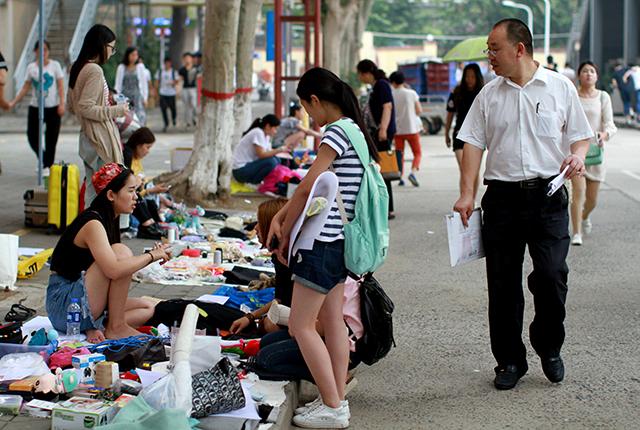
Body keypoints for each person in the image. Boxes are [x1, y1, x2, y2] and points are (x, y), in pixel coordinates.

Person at [453, 19, 593, 391]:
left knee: (551, 275)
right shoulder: (488, 94)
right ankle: (509, 361)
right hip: (501, 199)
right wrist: (467, 193)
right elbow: (471, 144)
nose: (489, 57)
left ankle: (549, 346)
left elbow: (581, 138)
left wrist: (577, 156)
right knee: (502, 285)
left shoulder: (559, 88)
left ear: (519, 49)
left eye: (494, 49)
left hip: (548, 196)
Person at [267, 67, 379, 429]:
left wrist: (282, 225)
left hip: (322, 240)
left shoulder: (336, 132)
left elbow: (307, 187)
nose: (308, 116)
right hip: (338, 242)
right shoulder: (355, 131)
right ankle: (335, 398)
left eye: (306, 108)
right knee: (331, 323)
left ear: (315, 100)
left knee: (301, 326)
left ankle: (333, 406)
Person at [46, 163, 169, 343]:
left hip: (81, 298)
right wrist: (151, 256)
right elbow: (114, 270)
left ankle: (99, 326)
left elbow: (116, 272)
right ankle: (115, 327)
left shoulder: (109, 218)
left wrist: (153, 256)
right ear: (111, 195)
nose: (137, 198)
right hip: (65, 305)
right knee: (121, 252)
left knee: (147, 308)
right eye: (131, 191)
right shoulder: (93, 223)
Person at [67, 24, 129, 204]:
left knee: (94, 190)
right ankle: (98, 229)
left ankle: (92, 229)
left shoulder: (77, 67)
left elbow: (73, 106)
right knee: (104, 193)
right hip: (98, 138)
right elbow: (85, 107)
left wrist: (104, 103)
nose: (111, 52)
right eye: (111, 48)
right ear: (102, 46)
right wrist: (117, 110)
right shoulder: (94, 70)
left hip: (87, 137)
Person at [570, 61, 617, 246]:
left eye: (592, 71)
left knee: (592, 200)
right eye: (584, 71)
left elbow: (610, 124)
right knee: (578, 194)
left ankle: (584, 216)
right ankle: (577, 232)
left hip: (596, 154)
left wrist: (604, 135)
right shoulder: (573, 96)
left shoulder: (603, 97)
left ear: (596, 76)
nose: (588, 74)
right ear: (579, 75)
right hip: (576, 153)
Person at [229, 198, 293, 335]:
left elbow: (286, 304)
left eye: (260, 222)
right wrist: (250, 317)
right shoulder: (280, 258)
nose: (256, 228)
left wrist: (262, 320)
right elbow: (281, 299)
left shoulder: (294, 261)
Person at [9, 40, 65, 172]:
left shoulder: (55, 65)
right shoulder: (31, 68)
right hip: (35, 107)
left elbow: (61, 86)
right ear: (35, 52)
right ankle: (44, 159)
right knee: (32, 136)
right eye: (40, 50)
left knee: (51, 138)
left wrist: (62, 104)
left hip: (52, 107)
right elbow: (25, 88)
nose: (43, 52)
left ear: (48, 51)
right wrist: (13, 102)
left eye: (45, 49)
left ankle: (47, 166)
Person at [357, 59, 396, 219]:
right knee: (379, 169)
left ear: (366, 73)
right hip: (378, 132)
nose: (360, 78)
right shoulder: (377, 85)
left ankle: (388, 208)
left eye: (360, 74)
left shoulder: (381, 85)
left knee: (383, 170)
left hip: (382, 132)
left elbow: (387, 106)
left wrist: (383, 129)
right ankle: (384, 207)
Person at [123, 127, 170, 240]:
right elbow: (127, 183)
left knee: (152, 200)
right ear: (139, 144)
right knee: (138, 197)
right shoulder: (127, 155)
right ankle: (147, 225)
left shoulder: (136, 157)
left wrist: (147, 186)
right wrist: (149, 190)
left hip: (137, 190)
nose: (148, 151)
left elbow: (140, 181)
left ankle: (154, 223)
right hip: (130, 193)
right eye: (147, 147)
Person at [445, 63, 484, 195]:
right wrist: (446, 133)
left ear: (477, 77)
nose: (469, 79)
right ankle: (465, 198)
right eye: (467, 76)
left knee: (474, 170)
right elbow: (450, 113)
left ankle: (471, 200)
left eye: (472, 76)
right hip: (459, 134)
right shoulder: (456, 92)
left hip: (477, 136)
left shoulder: (484, 92)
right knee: (465, 169)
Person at [232, 114, 289, 184]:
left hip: (248, 166)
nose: (275, 132)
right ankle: (254, 182)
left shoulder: (266, 136)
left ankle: (261, 181)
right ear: (268, 126)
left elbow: (269, 152)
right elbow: (261, 155)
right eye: (275, 129)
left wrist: (281, 152)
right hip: (240, 171)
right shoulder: (258, 132)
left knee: (277, 160)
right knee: (271, 162)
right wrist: (279, 150)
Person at [389, 71, 422, 187]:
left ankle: (400, 177)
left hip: (398, 131)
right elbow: (419, 110)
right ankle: (413, 172)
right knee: (417, 153)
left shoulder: (391, 94)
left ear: (392, 82)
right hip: (412, 129)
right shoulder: (411, 93)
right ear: (403, 80)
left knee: (400, 154)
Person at [115, 47, 148, 125]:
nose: (134, 57)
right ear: (128, 55)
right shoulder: (121, 67)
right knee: (126, 116)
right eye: (132, 55)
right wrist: (116, 97)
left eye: (136, 55)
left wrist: (145, 97)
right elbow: (118, 84)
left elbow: (143, 83)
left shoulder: (140, 67)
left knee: (139, 115)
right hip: (125, 96)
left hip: (137, 96)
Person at [155, 58, 177, 132]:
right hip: (163, 93)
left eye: (169, 63)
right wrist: (156, 91)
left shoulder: (174, 72)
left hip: (171, 93)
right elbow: (157, 81)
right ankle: (166, 123)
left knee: (173, 108)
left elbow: (177, 81)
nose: (167, 64)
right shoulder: (160, 72)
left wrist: (173, 82)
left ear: (170, 63)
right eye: (166, 63)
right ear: (164, 63)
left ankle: (174, 118)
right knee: (163, 108)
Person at [178, 52, 198, 127]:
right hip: (185, 89)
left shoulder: (196, 68)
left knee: (194, 104)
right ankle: (188, 121)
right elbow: (180, 79)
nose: (187, 60)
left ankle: (194, 118)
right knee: (186, 105)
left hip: (193, 88)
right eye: (185, 58)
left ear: (191, 59)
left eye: (188, 58)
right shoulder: (182, 70)